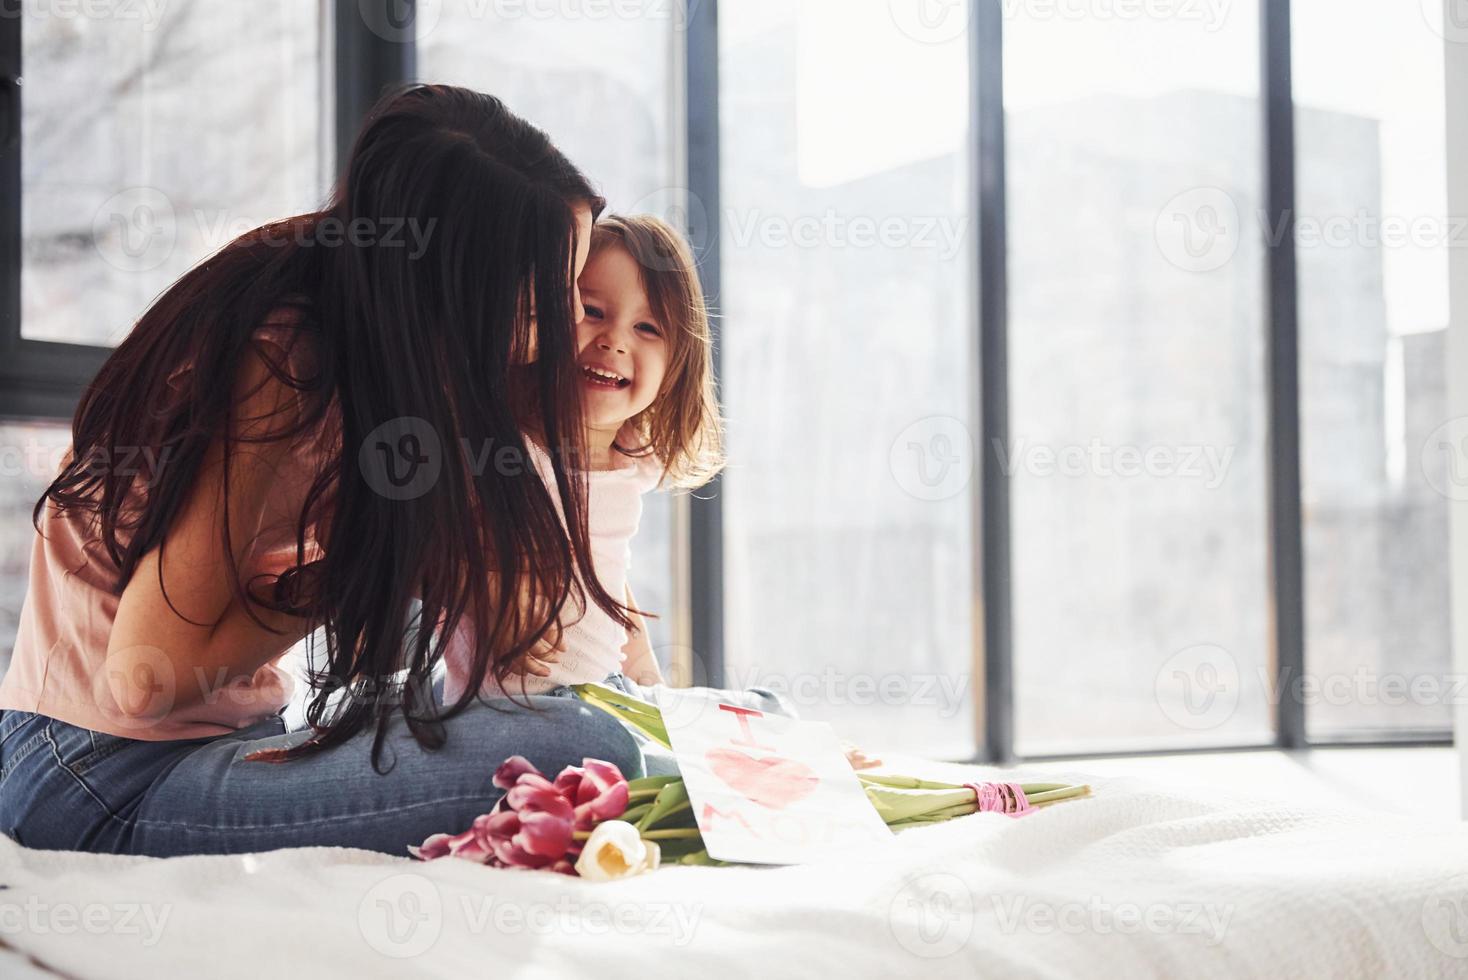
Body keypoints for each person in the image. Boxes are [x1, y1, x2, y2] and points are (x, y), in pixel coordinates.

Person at [0, 84, 668, 857]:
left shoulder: (379, 340)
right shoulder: (280, 352)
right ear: (462, 279)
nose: (561, 322)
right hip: (99, 772)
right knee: (590, 747)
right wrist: (349, 575)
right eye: (553, 293)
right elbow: (144, 681)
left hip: (212, 740)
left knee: (581, 722)